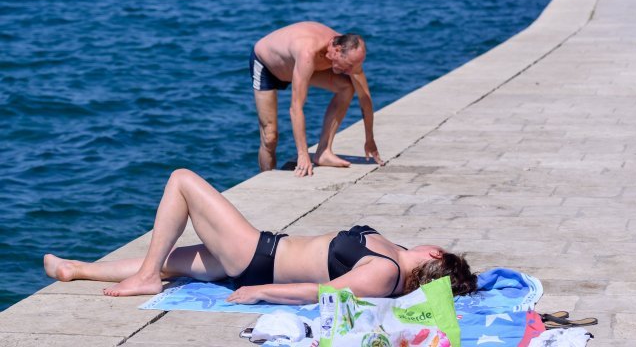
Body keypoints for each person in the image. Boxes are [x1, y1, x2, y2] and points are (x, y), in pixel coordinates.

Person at [43, 169, 478, 302]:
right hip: (261, 251)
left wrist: (259, 293)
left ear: (433, 253)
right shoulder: (396, 255)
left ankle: (146, 280)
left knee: (181, 181)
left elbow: (321, 292)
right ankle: (75, 269)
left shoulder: (384, 273)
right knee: (173, 260)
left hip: (255, 257)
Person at [251, 22, 380, 176]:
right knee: (270, 137)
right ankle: (267, 179)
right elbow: (296, 107)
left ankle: (323, 152)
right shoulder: (308, 52)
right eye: (348, 67)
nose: (350, 72)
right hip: (267, 66)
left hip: (296, 66)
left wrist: (369, 139)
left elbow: (365, 99)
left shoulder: (350, 53)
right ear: (337, 51)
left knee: (347, 87)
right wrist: (303, 155)